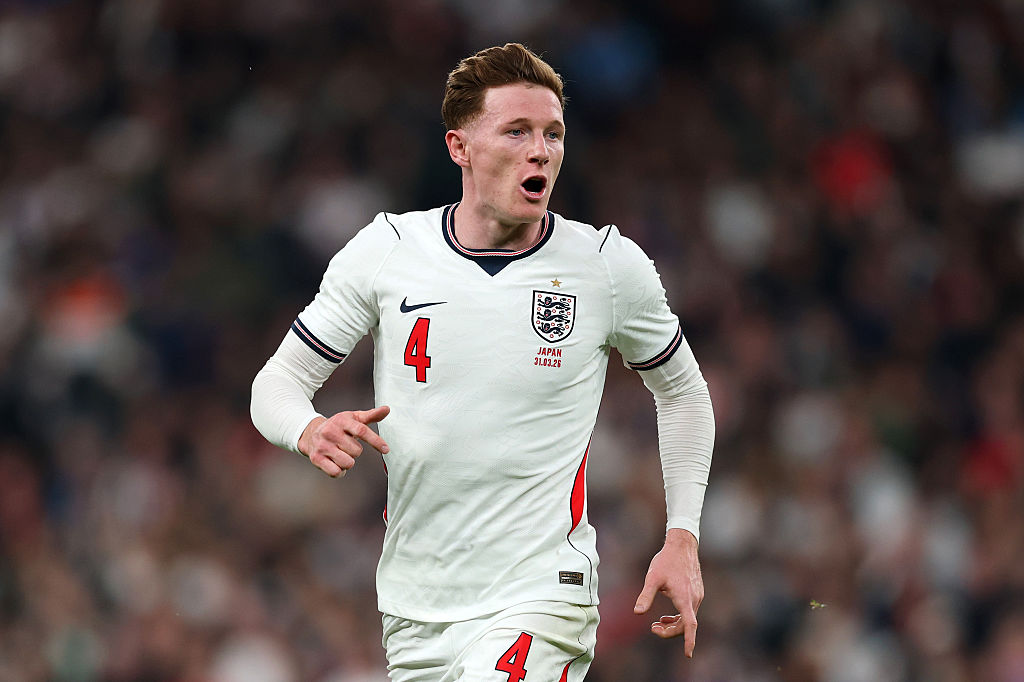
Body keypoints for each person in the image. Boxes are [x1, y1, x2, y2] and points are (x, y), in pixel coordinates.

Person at [251, 42, 715, 681]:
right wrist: (307, 429)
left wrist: (682, 536)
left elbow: (683, 392)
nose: (540, 151)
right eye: (517, 131)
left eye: (552, 133)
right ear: (459, 147)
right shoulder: (389, 251)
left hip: (541, 591)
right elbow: (276, 384)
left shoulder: (606, 266)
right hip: (417, 604)